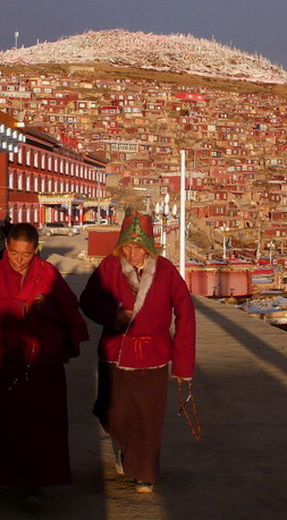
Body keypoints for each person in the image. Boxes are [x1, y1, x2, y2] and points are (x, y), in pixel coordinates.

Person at [0, 222, 89, 505]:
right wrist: (18, 308)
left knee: (38, 426)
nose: (18, 261)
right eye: (14, 253)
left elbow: (69, 309)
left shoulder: (48, 274)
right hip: (2, 361)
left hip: (41, 363)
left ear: (36, 251)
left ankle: (34, 483)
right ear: (6, 248)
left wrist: (48, 306)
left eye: (26, 255)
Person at [79, 212, 196, 494]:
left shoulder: (166, 271)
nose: (132, 253)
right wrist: (114, 314)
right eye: (127, 247)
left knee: (148, 418)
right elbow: (88, 301)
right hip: (115, 352)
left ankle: (145, 473)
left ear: (149, 247)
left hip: (153, 354)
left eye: (138, 247)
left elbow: (185, 312)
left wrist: (183, 364)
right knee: (113, 413)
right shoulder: (109, 267)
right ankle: (125, 447)